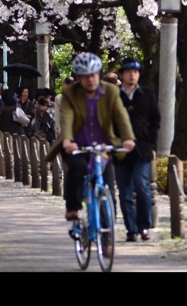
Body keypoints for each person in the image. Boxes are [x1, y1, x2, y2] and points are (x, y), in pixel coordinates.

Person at [46, 52, 136, 228]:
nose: (90, 79)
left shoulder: (110, 91)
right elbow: (67, 117)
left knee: (108, 187)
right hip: (76, 145)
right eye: (85, 76)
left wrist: (128, 138)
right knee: (77, 169)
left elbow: (121, 115)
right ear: (78, 77)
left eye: (93, 75)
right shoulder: (70, 93)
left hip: (103, 145)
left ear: (99, 74)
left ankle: (107, 231)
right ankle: (72, 207)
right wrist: (68, 140)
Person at [114, 58, 161, 242]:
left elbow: (156, 120)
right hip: (120, 149)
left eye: (135, 71)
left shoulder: (147, 95)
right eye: (128, 71)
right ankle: (131, 229)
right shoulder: (115, 96)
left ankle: (144, 226)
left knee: (142, 186)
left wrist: (151, 140)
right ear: (122, 74)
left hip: (142, 148)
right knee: (125, 192)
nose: (132, 74)